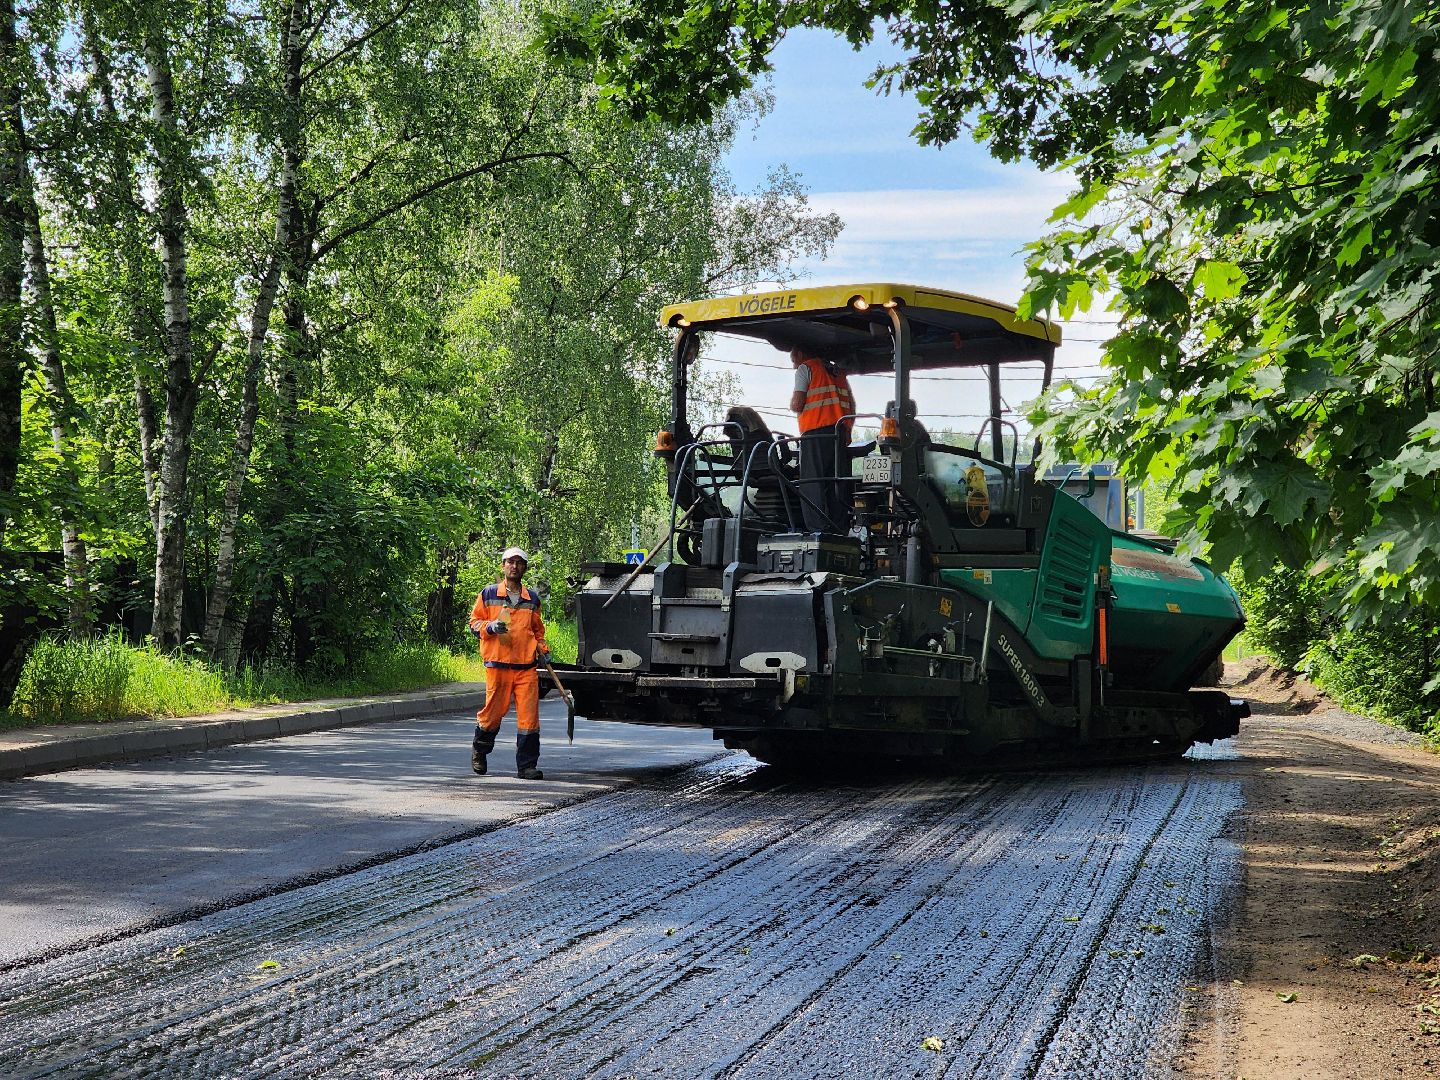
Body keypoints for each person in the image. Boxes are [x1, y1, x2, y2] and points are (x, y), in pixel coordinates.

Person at [468, 546, 550, 780]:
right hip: (498, 665)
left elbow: (537, 630)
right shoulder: (489, 594)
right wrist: (490, 627)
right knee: (493, 714)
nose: (514, 566)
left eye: (519, 562)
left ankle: (527, 766)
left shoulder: (531, 598)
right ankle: (480, 751)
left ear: (524, 567)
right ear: (503, 566)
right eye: (510, 562)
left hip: (526, 668)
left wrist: (543, 649)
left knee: (529, 719)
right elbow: (474, 623)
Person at [789, 346, 856, 533]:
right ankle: (839, 528)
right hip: (839, 432)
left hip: (815, 432)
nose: (794, 365)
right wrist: (848, 430)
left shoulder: (806, 368)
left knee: (812, 482)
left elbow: (797, 404)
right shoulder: (837, 371)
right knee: (837, 481)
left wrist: (792, 405)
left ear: (800, 353)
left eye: (793, 360)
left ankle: (816, 529)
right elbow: (851, 404)